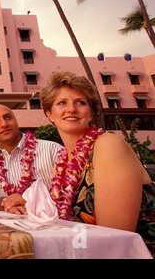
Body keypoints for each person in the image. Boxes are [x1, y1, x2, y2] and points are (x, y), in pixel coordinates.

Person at [39, 71, 155, 256]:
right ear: (49, 114)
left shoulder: (108, 145)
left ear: (91, 113)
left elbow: (114, 239)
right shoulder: (60, 165)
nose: (71, 109)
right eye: (62, 103)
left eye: (81, 102)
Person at [0, 104, 63, 214]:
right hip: (9, 229)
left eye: (8, 117)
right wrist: (6, 204)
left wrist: (31, 201)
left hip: (52, 227)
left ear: (16, 122)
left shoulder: (52, 150)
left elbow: (71, 195)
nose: (4, 124)